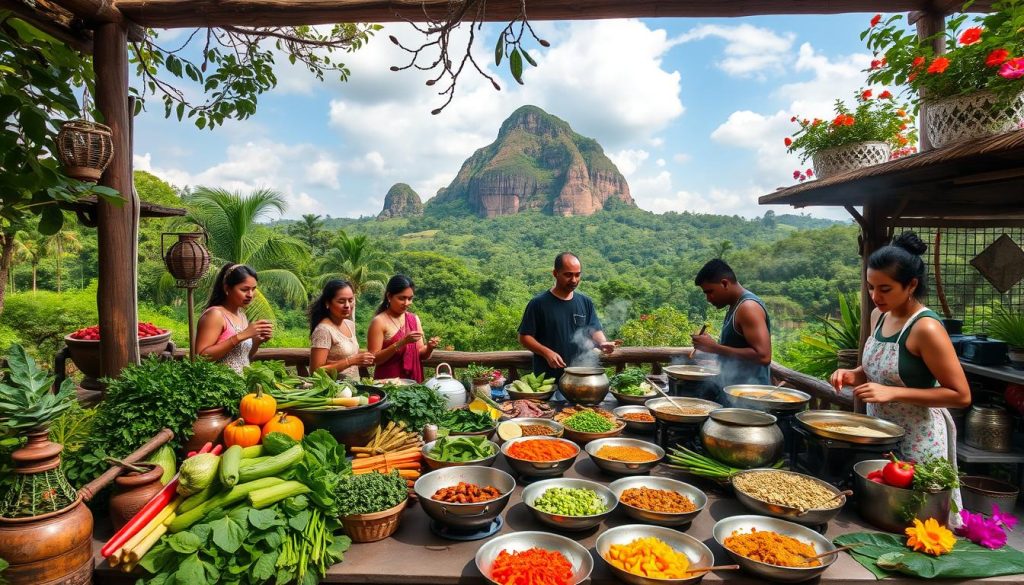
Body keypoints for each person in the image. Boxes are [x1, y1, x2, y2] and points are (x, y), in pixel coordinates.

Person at [829, 232, 970, 470]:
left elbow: (960, 395)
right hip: (880, 435)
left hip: (918, 440)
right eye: (871, 287)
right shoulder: (879, 316)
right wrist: (855, 374)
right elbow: (883, 370)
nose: (875, 296)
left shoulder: (926, 328)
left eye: (885, 289)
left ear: (911, 284)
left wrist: (892, 393)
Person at [518, 252, 616, 382]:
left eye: (577, 274)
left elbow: (594, 329)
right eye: (568, 275)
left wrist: (603, 343)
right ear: (555, 273)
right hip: (547, 380)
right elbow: (524, 337)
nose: (574, 280)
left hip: (580, 377)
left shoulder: (585, 302)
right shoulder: (538, 303)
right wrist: (547, 353)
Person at [691, 259, 772, 387]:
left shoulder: (748, 307)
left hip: (750, 397)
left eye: (710, 292)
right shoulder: (734, 306)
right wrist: (712, 348)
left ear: (724, 283)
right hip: (733, 391)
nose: (708, 299)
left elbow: (763, 357)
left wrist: (714, 348)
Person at [195, 264, 272, 373]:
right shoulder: (215, 315)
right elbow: (201, 357)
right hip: (219, 384)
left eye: (253, 289)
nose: (250, 295)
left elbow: (243, 358)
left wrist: (257, 342)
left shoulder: (242, 315)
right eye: (244, 289)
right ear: (227, 288)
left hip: (241, 384)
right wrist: (242, 335)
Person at [367, 275, 440, 383]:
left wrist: (429, 347)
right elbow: (373, 359)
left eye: (410, 299)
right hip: (388, 383)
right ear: (389, 296)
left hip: (412, 382)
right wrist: (402, 342)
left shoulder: (414, 319)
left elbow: (420, 353)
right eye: (402, 298)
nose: (406, 303)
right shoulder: (379, 322)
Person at [308, 279, 376, 378]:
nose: (347, 305)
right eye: (341, 301)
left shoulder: (349, 325)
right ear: (327, 303)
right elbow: (315, 372)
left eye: (350, 300)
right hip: (334, 390)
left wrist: (362, 359)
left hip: (353, 388)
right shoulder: (323, 330)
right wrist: (351, 361)